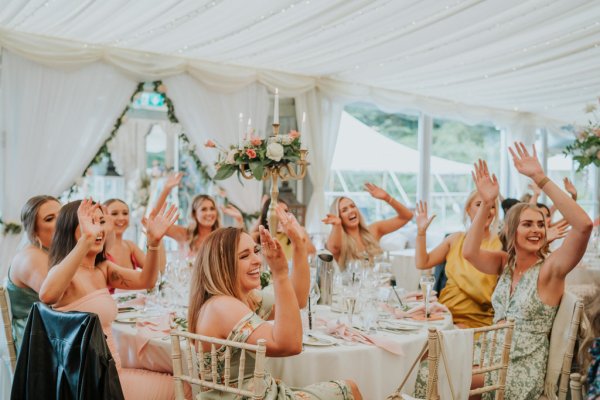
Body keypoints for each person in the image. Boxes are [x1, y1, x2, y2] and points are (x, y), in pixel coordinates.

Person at [463, 143, 593, 400]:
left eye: (540, 225)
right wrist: (488, 202)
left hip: (520, 369)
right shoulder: (504, 264)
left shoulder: (550, 269)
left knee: (441, 377)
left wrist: (540, 178)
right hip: (488, 355)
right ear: (512, 231)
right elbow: (469, 252)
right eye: (527, 224)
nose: (536, 230)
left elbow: (584, 225)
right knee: (426, 365)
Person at [187, 211, 362, 399]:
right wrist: (279, 274)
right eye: (244, 256)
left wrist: (299, 245)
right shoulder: (222, 306)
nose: (257, 260)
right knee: (349, 388)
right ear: (223, 265)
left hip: (258, 393)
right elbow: (290, 345)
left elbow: (298, 299)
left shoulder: (245, 299)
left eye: (255, 251)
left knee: (348, 386)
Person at [38, 199, 179, 400]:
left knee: (182, 377)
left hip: (113, 374)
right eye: (91, 223)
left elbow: (147, 280)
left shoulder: (102, 269)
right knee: (185, 388)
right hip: (94, 384)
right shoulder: (66, 274)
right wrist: (86, 240)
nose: (99, 229)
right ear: (71, 230)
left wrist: (154, 243)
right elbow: (46, 295)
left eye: (101, 222)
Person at [414, 191, 501, 328]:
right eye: (480, 204)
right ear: (468, 209)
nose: (487, 210)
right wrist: (421, 233)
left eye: (491, 206)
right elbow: (422, 262)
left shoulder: (502, 245)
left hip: (476, 321)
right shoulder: (455, 239)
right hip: (443, 315)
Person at [7, 195, 60, 349]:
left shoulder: (50, 252)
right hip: (36, 345)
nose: (61, 222)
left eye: (62, 215)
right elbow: (62, 301)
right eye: (50, 219)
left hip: (53, 332)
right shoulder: (31, 257)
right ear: (33, 230)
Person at [323, 182, 413, 270]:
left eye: (352, 206)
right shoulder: (339, 240)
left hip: (381, 283)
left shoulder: (373, 230)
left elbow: (407, 216)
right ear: (339, 216)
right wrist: (337, 225)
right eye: (344, 210)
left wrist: (387, 198)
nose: (351, 211)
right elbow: (333, 248)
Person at [157, 172, 243, 256]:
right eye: (204, 209)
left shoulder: (222, 237)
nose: (209, 213)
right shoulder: (185, 234)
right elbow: (155, 222)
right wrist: (166, 189)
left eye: (212, 209)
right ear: (194, 214)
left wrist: (239, 219)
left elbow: (239, 245)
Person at [251, 197, 316, 260]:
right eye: (278, 212)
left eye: (285, 211)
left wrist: (294, 233)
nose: (284, 215)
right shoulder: (258, 237)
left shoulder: (300, 231)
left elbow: (312, 255)